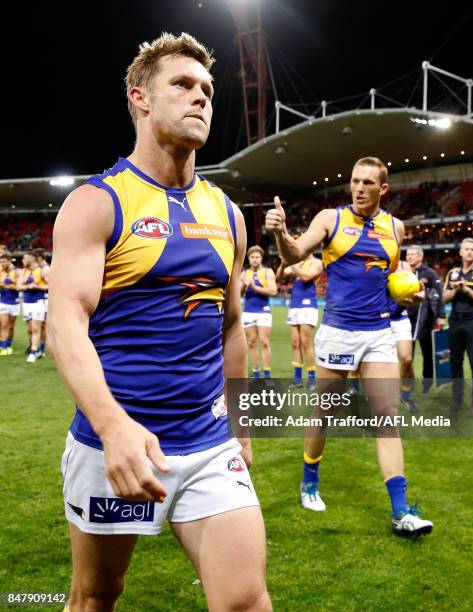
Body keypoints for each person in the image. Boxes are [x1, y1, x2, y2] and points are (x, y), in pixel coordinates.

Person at [48, 33, 271, 612]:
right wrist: (113, 427)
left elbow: (230, 326)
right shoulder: (98, 203)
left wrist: (240, 427)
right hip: (113, 447)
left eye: (207, 90)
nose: (201, 98)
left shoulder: (226, 213)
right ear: (140, 98)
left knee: (245, 600)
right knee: (97, 594)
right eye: (182, 84)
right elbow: (64, 323)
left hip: (207, 445)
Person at [266, 156, 433, 536]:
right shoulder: (330, 218)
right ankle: (309, 478)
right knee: (324, 412)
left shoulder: (397, 228)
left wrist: (408, 297)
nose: (358, 188)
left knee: (386, 418)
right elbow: (295, 254)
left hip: (378, 333)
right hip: (339, 332)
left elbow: (391, 280)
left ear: (383, 189)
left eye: (367, 183)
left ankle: (401, 510)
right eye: (354, 181)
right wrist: (280, 233)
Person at [276, 249, 323, 387]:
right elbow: (280, 277)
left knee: (305, 342)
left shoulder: (317, 262)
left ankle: (312, 379)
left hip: (308, 305)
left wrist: (291, 263)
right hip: (294, 305)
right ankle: (297, 380)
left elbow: (307, 277)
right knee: (295, 343)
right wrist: (283, 264)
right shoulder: (297, 263)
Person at [443, 237, 473, 415]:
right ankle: (456, 401)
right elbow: (444, 298)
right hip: (455, 321)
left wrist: (467, 290)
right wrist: (456, 290)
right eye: (467, 249)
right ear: (460, 252)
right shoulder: (452, 273)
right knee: (455, 363)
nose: (470, 252)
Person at [405, 245, 446, 393]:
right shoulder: (403, 273)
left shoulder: (430, 273)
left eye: (412, 254)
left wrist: (441, 316)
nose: (409, 257)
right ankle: (408, 385)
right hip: (407, 321)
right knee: (407, 357)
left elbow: (440, 295)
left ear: (420, 257)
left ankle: (426, 385)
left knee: (427, 355)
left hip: (426, 321)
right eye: (407, 254)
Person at [240, 245, 277, 378]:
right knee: (252, 342)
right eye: (252, 257)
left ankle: (267, 374)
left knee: (264, 341)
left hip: (263, 311)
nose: (255, 260)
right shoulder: (244, 274)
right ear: (248, 258)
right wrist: (244, 285)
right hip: (248, 311)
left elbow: (273, 291)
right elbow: (238, 293)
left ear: (261, 258)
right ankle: (256, 373)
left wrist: (255, 287)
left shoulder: (268, 272)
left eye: (257, 257)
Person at [388, 261, 420, 413]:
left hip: (400, 317)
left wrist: (418, 296)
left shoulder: (404, 266)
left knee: (407, 359)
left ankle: (406, 395)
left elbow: (414, 290)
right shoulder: (375, 261)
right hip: (379, 318)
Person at [18, 252, 46, 363]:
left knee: (36, 328)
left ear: (31, 259)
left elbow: (51, 285)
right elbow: (18, 286)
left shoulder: (42, 270)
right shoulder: (23, 271)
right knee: (30, 330)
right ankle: (38, 349)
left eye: (24, 259)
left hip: (38, 302)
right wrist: (28, 286)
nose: (22, 261)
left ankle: (33, 353)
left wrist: (38, 287)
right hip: (26, 303)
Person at [0, 251, 19, 355]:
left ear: (9, 261)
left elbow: (19, 287)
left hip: (14, 302)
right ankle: (3, 347)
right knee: (3, 325)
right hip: (3, 301)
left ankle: (8, 345)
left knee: (11, 326)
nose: (2, 264)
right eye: (1, 262)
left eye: (3, 262)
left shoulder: (16, 272)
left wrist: (7, 286)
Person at [33, 248, 49, 358]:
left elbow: (52, 285)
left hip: (46, 299)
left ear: (39, 258)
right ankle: (41, 350)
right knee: (42, 326)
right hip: (44, 299)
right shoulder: (41, 269)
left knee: (43, 326)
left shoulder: (46, 269)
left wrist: (38, 287)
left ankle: (40, 350)